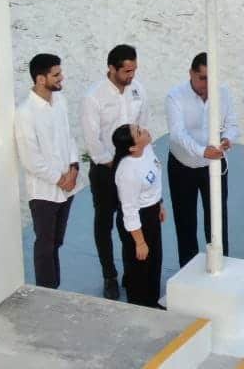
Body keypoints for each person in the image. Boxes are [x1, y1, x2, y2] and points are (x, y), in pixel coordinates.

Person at [80, 43, 150, 300]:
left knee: (129, 219)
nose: (131, 76)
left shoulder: (137, 89)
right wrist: (110, 163)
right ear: (112, 69)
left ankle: (131, 272)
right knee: (104, 222)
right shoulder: (94, 96)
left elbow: (143, 122)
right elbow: (91, 138)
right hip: (106, 170)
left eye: (134, 70)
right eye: (127, 71)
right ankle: (109, 274)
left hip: (130, 165)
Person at [166, 52, 240, 267]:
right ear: (191, 74)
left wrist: (227, 138)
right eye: (202, 78)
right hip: (183, 166)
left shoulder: (223, 93)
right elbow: (177, 134)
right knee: (185, 221)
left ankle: (220, 265)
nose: (207, 85)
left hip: (214, 166)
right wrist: (201, 151)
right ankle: (187, 269)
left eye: (211, 79)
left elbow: (232, 124)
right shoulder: (175, 96)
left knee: (217, 220)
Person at [13, 53, 79, 290]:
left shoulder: (60, 102)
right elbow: (31, 159)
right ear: (40, 79)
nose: (62, 78)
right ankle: (46, 290)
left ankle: (53, 287)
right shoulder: (25, 114)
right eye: (56, 74)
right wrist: (61, 179)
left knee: (56, 242)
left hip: (66, 187)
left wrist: (73, 168)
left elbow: (68, 135)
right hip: (43, 193)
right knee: (45, 244)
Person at [112, 123, 164, 308]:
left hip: (151, 211)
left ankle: (152, 302)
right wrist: (139, 242)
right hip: (137, 221)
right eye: (139, 132)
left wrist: (160, 203)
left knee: (155, 261)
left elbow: (155, 178)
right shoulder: (127, 172)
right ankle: (139, 306)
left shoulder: (147, 149)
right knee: (139, 267)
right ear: (133, 147)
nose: (145, 130)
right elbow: (129, 210)